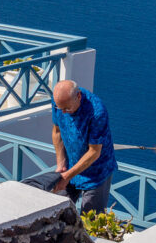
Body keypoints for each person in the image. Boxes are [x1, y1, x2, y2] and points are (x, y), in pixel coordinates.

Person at [50, 79, 117, 213]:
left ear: (78, 97)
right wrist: (61, 163)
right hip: (70, 166)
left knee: (90, 219)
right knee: (58, 211)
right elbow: (57, 131)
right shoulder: (59, 101)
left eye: (67, 108)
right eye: (60, 108)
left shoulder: (97, 112)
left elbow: (94, 152)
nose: (63, 112)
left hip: (96, 173)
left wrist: (67, 176)